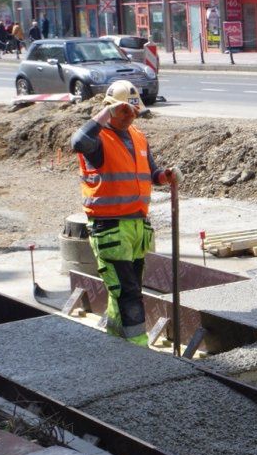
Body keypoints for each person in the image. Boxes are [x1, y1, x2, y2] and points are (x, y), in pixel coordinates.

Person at [71, 80, 180, 347]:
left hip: (136, 227)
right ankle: (138, 350)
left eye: (134, 112)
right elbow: (77, 141)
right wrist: (107, 113)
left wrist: (164, 176)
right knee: (128, 293)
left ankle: (115, 343)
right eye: (125, 112)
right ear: (110, 110)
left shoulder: (138, 137)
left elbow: (150, 172)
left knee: (122, 291)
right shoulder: (98, 140)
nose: (131, 117)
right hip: (110, 230)